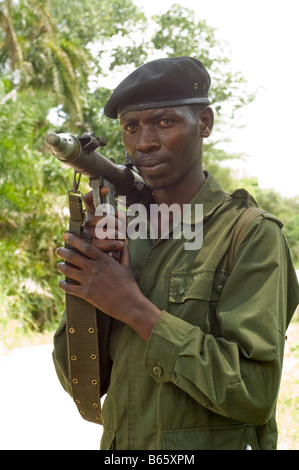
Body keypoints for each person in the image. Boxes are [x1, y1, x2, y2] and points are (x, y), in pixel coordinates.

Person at [53, 57, 299, 450]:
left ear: (204, 123)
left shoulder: (249, 233)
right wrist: (93, 287)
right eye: (131, 126)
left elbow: (255, 393)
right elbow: (77, 379)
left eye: (164, 122)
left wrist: (134, 308)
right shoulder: (124, 234)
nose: (144, 141)